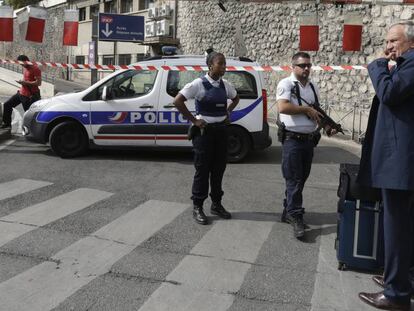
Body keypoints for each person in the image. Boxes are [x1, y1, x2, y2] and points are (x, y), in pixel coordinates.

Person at [357, 21, 414, 311]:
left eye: (394, 41)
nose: (388, 47)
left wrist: (378, 66)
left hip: (400, 164)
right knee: (404, 227)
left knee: (397, 228)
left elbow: (390, 94)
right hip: (400, 163)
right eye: (387, 42)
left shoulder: (411, 65)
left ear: (411, 43)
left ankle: (396, 294)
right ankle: (402, 279)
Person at [173, 51, 240, 225]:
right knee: (202, 170)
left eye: (225, 64)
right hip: (205, 134)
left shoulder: (225, 85)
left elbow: (236, 98)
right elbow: (178, 101)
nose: (224, 67)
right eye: (221, 64)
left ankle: (216, 204)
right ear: (210, 65)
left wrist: (228, 113)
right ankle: (198, 206)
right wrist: (195, 121)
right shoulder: (198, 84)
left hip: (221, 132)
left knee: (218, 170)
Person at [276, 52, 336, 239]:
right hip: (292, 140)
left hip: (308, 140)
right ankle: (296, 215)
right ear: (293, 66)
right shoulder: (285, 84)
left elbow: (316, 108)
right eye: (302, 65)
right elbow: (283, 107)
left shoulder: (312, 86)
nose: (307, 69)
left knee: (300, 178)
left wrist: (327, 124)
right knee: (294, 179)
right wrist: (305, 109)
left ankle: (288, 210)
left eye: (309, 65)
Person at [1, 55, 42, 129]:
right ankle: (7, 124)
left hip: (29, 96)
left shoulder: (35, 69)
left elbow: (38, 83)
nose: (21, 65)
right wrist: (22, 82)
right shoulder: (25, 68)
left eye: (22, 63)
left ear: (26, 61)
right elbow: (27, 79)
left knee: (28, 114)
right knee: (7, 105)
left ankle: (32, 130)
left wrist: (25, 83)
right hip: (21, 93)